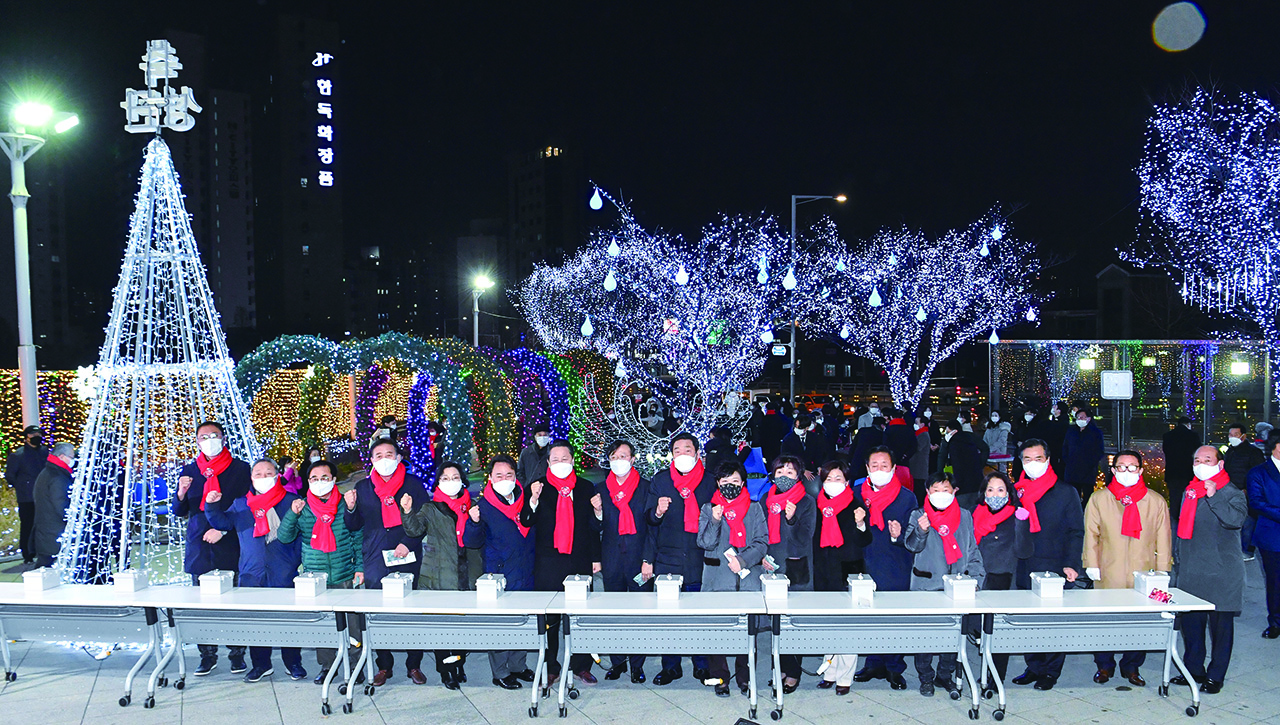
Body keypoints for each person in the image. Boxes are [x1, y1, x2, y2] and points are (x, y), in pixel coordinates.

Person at [204, 459, 305, 682]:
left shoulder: (291, 501)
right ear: (251, 478)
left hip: (284, 571)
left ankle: (293, 662)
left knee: (289, 620)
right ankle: (261, 664)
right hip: (253, 573)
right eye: (258, 473)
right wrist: (211, 505)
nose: (263, 477)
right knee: (257, 622)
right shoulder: (242, 504)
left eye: (268, 472)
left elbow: (304, 534)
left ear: (278, 475)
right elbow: (222, 522)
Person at [343, 439, 430, 687]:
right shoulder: (363, 487)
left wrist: (408, 542)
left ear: (399, 457)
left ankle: (414, 663)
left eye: (389, 454)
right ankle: (384, 665)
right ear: (371, 460)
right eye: (378, 455)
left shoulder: (412, 484)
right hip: (375, 555)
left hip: (407, 551)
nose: (384, 459)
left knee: (410, 609)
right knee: (378, 611)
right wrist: (350, 508)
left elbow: (423, 520)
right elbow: (354, 525)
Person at [1084, 449, 1171, 687]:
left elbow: (1164, 537)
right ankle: (1104, 664)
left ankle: (1132, 666)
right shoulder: (1099, 499)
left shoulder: (1155, 501)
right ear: (1113, 470)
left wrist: (1163, 569)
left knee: (1139, 621)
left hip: (1143, 571)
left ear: (1140, 470)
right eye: (1121, 467)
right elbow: (1091, 534)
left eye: (1132, 467)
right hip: (1108, 569)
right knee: (1104, 620)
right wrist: (1090, 563)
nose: (1126, 471)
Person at [521, 439, 600, 686]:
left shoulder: (587, 488)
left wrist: (599, 515)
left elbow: (593, 528)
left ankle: (581, 665)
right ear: (548, 463)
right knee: (551, 618)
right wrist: (533, 500)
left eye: (565, 459)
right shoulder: (538, 487)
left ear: (572, 461)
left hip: (579, 560)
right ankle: (551, 666)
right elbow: (525, 521)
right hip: (548, 561)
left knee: (579, 616)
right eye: (555, 460)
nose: (560, 463)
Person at [276, 460, 364, 684]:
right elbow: (285, 537)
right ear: (307, 482)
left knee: (353, 625)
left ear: (334, 480)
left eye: (325, 478)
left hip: (345, 573)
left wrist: (359, 568)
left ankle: (356, 666)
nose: (319, 482)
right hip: (316, 578)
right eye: (314, 479)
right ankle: (328, 666)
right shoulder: (302, 506)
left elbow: (357, 537)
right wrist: (292, 515)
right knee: (324, 625)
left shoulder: (345, 504)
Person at [173, 421, 250, 676]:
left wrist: (224, 529)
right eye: (203, 437)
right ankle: (207, 654)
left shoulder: (240, 469)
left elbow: (245, 505)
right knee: (201, 604)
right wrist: (182, 492)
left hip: (228, 542)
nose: (209, 440)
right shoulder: (190, 470)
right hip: (198, 544)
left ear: (223, 438)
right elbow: (179, 511)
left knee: (233, 601)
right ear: (197, 441)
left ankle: (237, 653)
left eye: (214, 435)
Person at [398, 461, 483, 689]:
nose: (451, 482)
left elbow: (478, 539)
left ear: (463, 481)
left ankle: (460, 663)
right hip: (438, 577)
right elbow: (415, 530)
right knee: (442, 626)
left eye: (455, 477)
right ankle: (446, 672)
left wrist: (475, 521)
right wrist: (407, 511)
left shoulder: (472, 506)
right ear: (438, 482)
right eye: (445, 478)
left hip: (467, 573)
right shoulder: (430, 508)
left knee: (462, 625)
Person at [1169, 446, 1246, 694]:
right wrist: (1177, 557)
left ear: (1220, 465)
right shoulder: (1190, 491)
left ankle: (1216, 675)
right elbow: (1182, 528)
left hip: (1221, 573)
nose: (1201, 464)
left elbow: (1234, 521)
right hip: (1192, 570)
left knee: (1220, 628)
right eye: (1197, 460)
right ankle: (1193, 669)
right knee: (1192, 626)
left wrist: (1214, 496)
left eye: (1207, 460)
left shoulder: (1232, 492)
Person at [1010, 438, 1084, 691]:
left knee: (1052, 622)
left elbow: (1076, 531)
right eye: (1027, 459)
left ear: (1048, 460)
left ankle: (1051, 671)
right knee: (1028, 621)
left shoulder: (1065, 492)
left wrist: (1071, 563)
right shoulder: (1015, 491)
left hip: (1053, 565)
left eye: (1037, 459)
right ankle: (1033, 666)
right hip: (1023, 563)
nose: (1032, 464)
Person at [904, 472, 986, 698]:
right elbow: (911, 546)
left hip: (956, 587)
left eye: (946, 490)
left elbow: (972, 550)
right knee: (925, 637)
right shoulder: (918, 514)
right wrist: (921, 531)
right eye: (936, 490)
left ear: (954, 492)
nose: (941, 495)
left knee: (953, 635)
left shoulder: (965, 516)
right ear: (928, 493)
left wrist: (976, 579)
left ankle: (945, 675)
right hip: (925, 586)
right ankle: (925, 677)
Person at [643, 433, 715, 685]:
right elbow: (649, 522)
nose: (682, 454)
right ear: (671, 454)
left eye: (687, 449)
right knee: (669, 617)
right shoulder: (662, 481)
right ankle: (671, 666)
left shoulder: (709, 481)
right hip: (667, 558)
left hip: (699, 558)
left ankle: (702, 664)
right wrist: (658, 511)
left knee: (699, 615)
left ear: (696, 453)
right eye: (677, 450)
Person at [463, 454, 538, 688]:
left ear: (516, 476)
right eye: (499, 475)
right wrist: (473, 522)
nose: (504, 479)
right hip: (500, 572)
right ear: (491, 478)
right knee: (501, 623)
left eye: (509, 475)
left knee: (523, 621)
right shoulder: (483, 506)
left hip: (526, 569)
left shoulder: (526, 499)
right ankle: (500, 672)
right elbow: (471, 541)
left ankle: (518, 665)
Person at [697, 461, 768, 697]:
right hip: (717, 581)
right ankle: (720, 678)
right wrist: (715, 521)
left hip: (747, 582)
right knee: (716, 632)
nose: (730, 486)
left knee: (747, 632)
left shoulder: (754, 508)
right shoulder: (709, 508)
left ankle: (745, 678)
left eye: (735, 481)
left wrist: (744, 560)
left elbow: (762, 542)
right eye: (725, 482)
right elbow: (704, 543)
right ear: (718, 483)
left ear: (743, 483)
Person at [587, 440, 653, 683]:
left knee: (638, 614)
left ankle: (637, 664)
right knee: (613, 613)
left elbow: (652, 528)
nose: (619, 460)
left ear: (633, 459)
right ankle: (617, 663)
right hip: (612, 559)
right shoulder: (601, 488)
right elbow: (595, 528)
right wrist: (597, 513)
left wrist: (649, 559)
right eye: (614, 456)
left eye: (624, 456)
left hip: (638, 560)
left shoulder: (646, 487)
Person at [852, 446, 915, 690]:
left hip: (895, 562)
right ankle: (873, 662)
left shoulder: (907, 497)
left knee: (894, 617)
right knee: (868, 616)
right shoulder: (856, 494)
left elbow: (914, 536)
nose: (879, 470)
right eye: (874, 465)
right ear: (867, 468)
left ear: (893, 469)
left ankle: (894, 667)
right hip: (865, 561)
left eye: (884, 466)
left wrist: (898, 536)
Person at [813, 460, 872, 694]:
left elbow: (865, 541)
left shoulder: (855, 504)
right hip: (823, 568)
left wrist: (860, 523)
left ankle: (845, 675)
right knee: (827, 621)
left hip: (849, 568)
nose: (833, 483)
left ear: (847, 482)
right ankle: (830, 671)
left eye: (838, 478)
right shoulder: (818, 504)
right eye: (829, 479)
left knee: (847, 623)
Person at [759, 454, 814, 692]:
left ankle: (793, 672)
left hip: (796, 566)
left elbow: (806, 537)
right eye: (779, 472)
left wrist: (791, 520)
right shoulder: (765, 499)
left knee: (794, 621)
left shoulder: (807, 501)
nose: (784, 477)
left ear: (799, 475)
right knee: (776, 621)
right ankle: (778, 667)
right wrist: (761, 556)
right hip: (772, 565)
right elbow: (759, 532)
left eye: (790, 472)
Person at [972, 470, 1031, 686]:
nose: (995, 495)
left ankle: (995, 677)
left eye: (1000, 490)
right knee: (977, 628)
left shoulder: (1016, 515)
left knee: (997, 631)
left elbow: (1024, 551)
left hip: (1002, 579)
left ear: (1009, 492)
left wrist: (1023, 524)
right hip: (978, 578)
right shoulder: (975, 512)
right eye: (990, 490)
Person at [1249, 435, 1280, 640]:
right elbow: (1256, 502)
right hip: (1272, 535)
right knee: (1276, 581)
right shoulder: (1258, 472)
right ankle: (1276, 622)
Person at [5, 425, 47, 567]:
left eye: (39, 434)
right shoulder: (18, 455)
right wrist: (23, 485)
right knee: (28, 525)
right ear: (26, 437)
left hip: (42, 495)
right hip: (27, 497)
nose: (37, 437)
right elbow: (10, 476)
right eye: (33, 434)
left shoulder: (44, 451)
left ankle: (41, 551)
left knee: (43, 524)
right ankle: (28, 553)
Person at [30, 442, 76, 568]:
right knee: (46, 566)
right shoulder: (58, 477)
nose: (73, 460)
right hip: (54, 530)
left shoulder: (48, 472)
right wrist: (73, 519)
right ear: (61, 457)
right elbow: (61, 503)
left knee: (45, 564)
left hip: (46, 528)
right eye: (71, 457)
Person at [1224, 422, 1264, 560]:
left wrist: (1248, 489)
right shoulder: (1230, 451)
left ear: (1243, 436)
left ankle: (1247, 550)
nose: (1232, 437)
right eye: (1230, 434)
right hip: (1230, 492)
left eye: (1236, 434)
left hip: (1246, 493)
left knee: (1248, 522)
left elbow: (1259, 474)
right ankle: (1235, 549)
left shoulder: (1253, 452)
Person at [1063, 407, 1106, 502]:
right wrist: (1067, 460)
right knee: (1073, 496)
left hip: (1088, 470)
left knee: (1088, 496)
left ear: (1089, 419)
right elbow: (1065, 447)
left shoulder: (1095, 433)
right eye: (1078, 417)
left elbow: (1099, 450)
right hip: (1072, 469)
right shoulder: (1071, 431)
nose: (1080, 419)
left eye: (1082, 417)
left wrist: (1091, 463)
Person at [1163, 416, 1202, 520]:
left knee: (1174, 499)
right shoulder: (1193, 436)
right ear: (1188, 425)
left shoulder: (1168, 436)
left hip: (1173, 473)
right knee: (1188, 498)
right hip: (1188, 473)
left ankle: (1174, 521)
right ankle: (1185, 520)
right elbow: (1197, 453)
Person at [942, 420, 984, 497]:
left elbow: (945, 458)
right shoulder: (970, 437)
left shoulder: (953, 443)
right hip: (976, 476)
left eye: (948, 431)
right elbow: (985, 448)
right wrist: (981, 463)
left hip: (961, 479)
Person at [516, 423, 552, 490]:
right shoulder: (526, 452)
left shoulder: (552, 452)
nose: (542, 437)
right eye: (540, 435)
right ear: (535, 436)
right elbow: (519, 471)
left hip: (548, 490)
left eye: (545, 435)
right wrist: (524, 485)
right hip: (529, 489)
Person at [909, 416, 932, 492]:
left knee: (919, 486)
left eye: (916, 423)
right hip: (917, 465)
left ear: (922, 424)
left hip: (919, 465)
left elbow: (918, 447)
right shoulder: (920, 434)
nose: (915, 424)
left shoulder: (923, 435)